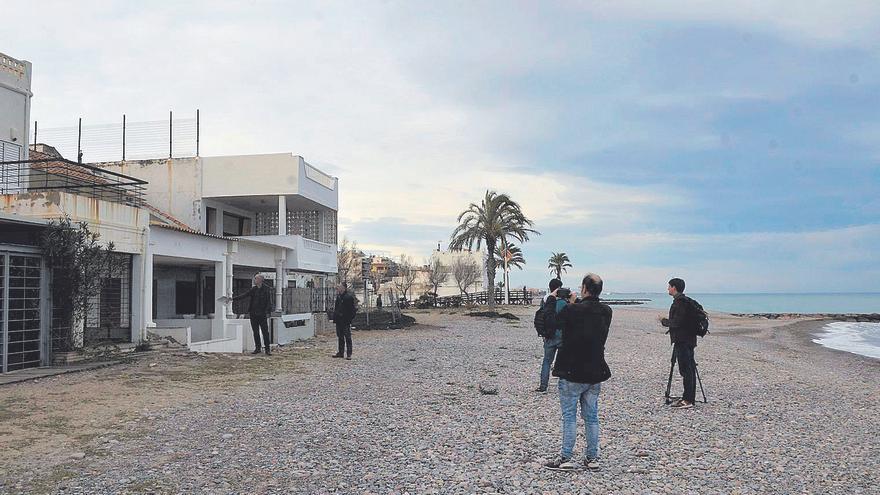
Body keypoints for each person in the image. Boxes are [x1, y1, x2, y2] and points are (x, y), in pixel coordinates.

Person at [543, 273, 612, 471]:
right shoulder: (606, 311)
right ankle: (592, 458)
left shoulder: (572, 310)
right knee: (591, 417)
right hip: (595, 371)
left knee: (569, 416)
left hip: (571, 370)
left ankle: (566, 457)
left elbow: (550, 324)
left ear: (584, 288)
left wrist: (552, 300)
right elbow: (589, 314)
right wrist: (575, 303)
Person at [661, 277, 698, 409]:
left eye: (669, 286)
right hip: (689, 339)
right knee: (689, 369)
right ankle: (689, 397)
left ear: (674, 287)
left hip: (683, 340)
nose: (668, 289)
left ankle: (688, 399)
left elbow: (678, 322)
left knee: (686, 369)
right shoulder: (685, 301)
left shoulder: (679, 302)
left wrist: (664, 321)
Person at [232, 274, 274, 355]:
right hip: (253, 314)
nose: (254, 280)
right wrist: (233, 299)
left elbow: (269, 301)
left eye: (256, 279)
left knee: (265, 332)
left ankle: (267, 349)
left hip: (262, 314)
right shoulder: (253, 289)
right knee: (255, 332)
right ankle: (257, 348)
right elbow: (244, 295)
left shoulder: (266, 289)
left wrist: (267, 312)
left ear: (260, 280)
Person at [535, 278, 565, 392]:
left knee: (547, 361)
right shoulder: (563, 303)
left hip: (549, 335)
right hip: (561, 335)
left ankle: (543, 386)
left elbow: (541, 317)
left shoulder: (545, 301)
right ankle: (563, 387)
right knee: (562, 362)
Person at [331, 282, 357, 360]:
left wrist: (349, 319)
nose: (338, 288)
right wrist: (335, 317)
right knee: (340, 337)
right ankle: (341, 352)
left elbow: (352, 310)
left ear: (344, 288)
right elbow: (336, 309)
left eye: (339, 287)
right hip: (339, 320)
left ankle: (349, 354)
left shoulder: (348, 298)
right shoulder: (338, 297)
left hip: (345, 321)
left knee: (347, 337)